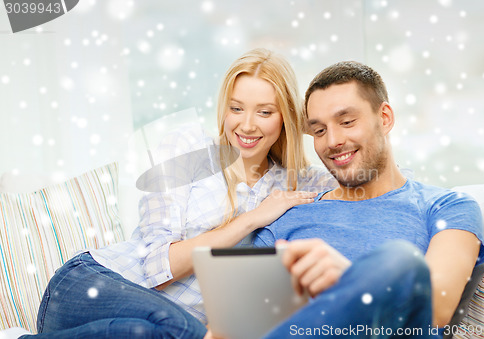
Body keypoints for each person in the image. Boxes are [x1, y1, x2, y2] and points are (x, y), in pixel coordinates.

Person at [23, 48, 337, 338]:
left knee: (147, 332)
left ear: (286, 118)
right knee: (184, 330)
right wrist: (251, 220)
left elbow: (366, 182)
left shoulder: (296, 184)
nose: (247, 125)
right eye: (236, 108)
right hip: (89, 286)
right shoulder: (188, 147)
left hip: (146, 327)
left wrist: (311, 124)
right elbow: (160, 266)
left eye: (265, 113)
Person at [245, 61, 484, 338]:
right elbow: (242, 315)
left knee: (401, 261)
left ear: (384, 118)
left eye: (347, 122)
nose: (333, 141)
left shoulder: (447, 205)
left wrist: (350, 279)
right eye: (320, 130)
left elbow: (438, 306)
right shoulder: (289, 215)